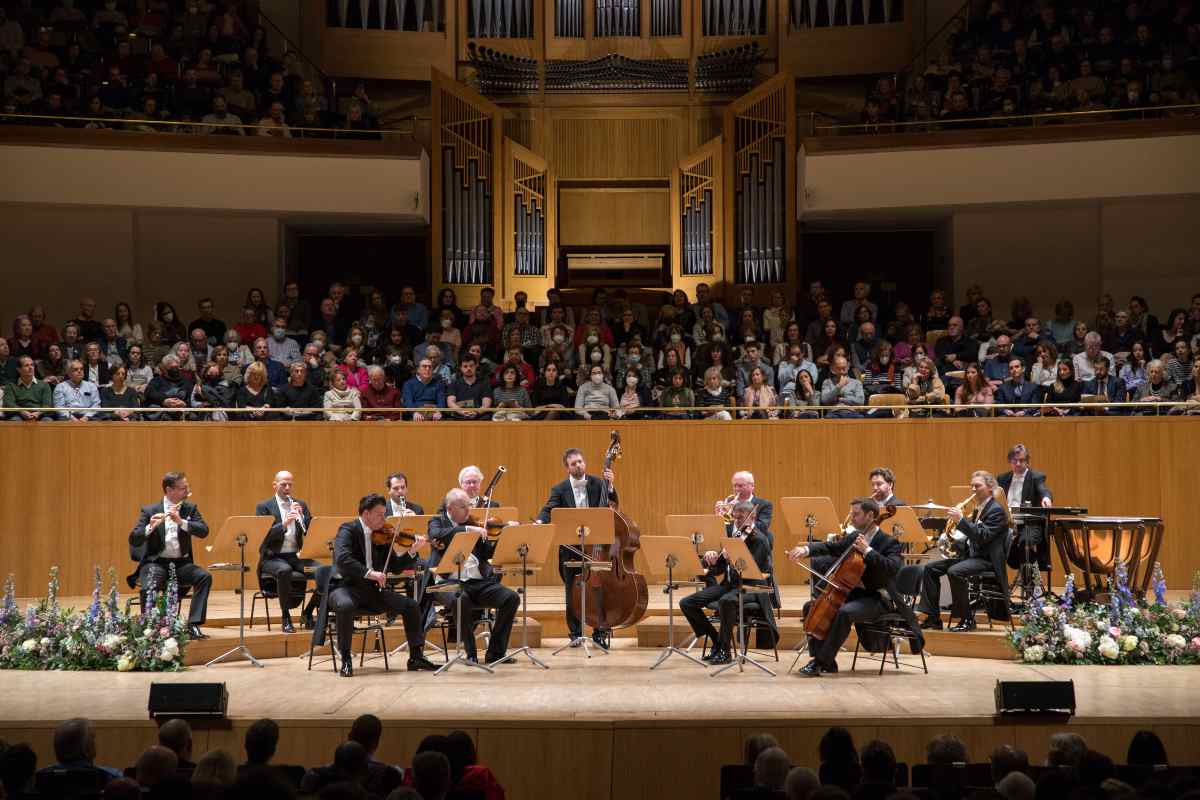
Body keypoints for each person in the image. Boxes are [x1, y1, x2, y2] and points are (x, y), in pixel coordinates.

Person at [786, 498, 905, 676]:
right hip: (853, 594)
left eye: (856, 514)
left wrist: (868, 551)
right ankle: (827, 661)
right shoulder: (854, 537)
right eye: (851, 514)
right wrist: (806, 550)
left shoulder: (889, 542)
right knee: (811, 606)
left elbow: (892, 569)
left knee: (844, 612)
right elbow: (832, 547)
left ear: (870, 515)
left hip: (877, 598)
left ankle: (819, 662)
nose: (852, 518)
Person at [323, 494, 438, 676]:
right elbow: (343, 559)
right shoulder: (348, 529)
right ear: (366, 514)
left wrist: (412, 552)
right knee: (345, 606)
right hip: (345, 588)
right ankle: (346, 659)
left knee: (410, 606)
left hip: (372, 591)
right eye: (380, 514)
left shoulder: (382, 534)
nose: (384, 519)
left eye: (384, 514)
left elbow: (395, 567)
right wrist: (370, 573)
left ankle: (416, 657)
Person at [427, 488, 521, 665]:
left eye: (468, 506)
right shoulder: (437, 522)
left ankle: (495, 652)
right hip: (447, 583)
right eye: (463, 507)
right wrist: (467, 529)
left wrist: (506, 535)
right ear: (450, 508)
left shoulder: (474, 524)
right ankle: (470, 654)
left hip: (477, 582)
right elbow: (435, 535)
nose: (468, 511)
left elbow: (487, 553)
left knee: (511, 598)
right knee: (460, 599)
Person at [536, 448, 617, 645]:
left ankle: (600, 632)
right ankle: (575, 634)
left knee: (599, 591)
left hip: (596, 548)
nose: (578, 465)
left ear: (585, 462)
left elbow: (612, 506)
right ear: (567, 468)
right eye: (573, 463)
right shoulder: (560, 489)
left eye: (580, 461)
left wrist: (611, 486)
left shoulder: (599, 483)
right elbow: (549, 509)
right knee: (572, 592)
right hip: (570, 549)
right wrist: (539, 522)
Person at [680, 501, 775, 665]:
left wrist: (733, 557)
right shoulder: (733, 538)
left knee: (726, 601)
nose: (737, 523)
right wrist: (712, 559)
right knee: (687, 603)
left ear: (752, 517)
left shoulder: (759, 539)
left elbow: (752, 572)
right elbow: (718, 571)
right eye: (735, 519)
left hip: (751, 589)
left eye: (740, 519)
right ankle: (716, 640)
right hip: (729, 586)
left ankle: (725, 651)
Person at [918, 471, 1011, 632]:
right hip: (971, 556)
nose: (973, 489)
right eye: (972, 486)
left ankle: (967, 619)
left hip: (987, 560)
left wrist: (961, 521)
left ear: (990, 488)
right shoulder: (978, 508)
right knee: (930, 568)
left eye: (978, 486)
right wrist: (954, 539)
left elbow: (983, 536)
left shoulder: (996, 510)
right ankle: (933, 617)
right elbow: (971, 535)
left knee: (955, 571)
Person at [126, 471, 212, 639]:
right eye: (183, 488)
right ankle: (149, 627)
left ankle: (193, 625)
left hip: (181, 564)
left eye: (187, 488)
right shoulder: (150, 510)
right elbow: (134, 539)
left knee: (204, 577)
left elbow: (204, 531)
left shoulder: (189, 508)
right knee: (150, 583)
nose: (187, 491)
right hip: (155, 563)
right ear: (169, 490)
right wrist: (149, 527)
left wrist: (182, 522)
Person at [256, 470, 317, 633]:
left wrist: (303, 517)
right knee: (284, 570)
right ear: (275, 485)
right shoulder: (264, 507)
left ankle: (308, 612)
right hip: (272, 558)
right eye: (284, 484)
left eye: (290, 484)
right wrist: (284, 523)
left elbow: (311, 531)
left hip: (295, 557)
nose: (287, 488)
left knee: (324, 572)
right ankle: (285, 617)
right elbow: (263, 535)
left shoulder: (300, 504)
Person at [997, 444, 1053, 575]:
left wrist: (1046, 497)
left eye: (1021, 460)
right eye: (1014, 460)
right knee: (992, 543)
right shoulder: (1002, 478)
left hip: (1029, 524)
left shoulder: (1036, 477)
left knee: (1025, 543)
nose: (1017, 463)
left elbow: (1043, 489)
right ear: (1010, 461)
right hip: (1008, 524)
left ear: (1027, 461)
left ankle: (1032, 584)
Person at [4, 355, 53, 421]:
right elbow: (9, 403)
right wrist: (22, 411)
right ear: (19, 369)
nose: (31, 368)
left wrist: (38, 413)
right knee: (15, 420)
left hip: (40, 415)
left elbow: (47, 404)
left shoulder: (44, 385)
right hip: (19, 415)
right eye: (26, 365)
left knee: (47, 420)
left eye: (32, 365)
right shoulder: (11, 386)